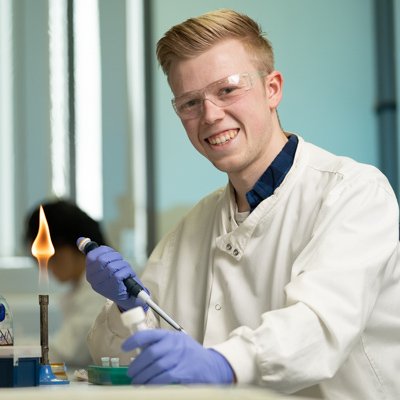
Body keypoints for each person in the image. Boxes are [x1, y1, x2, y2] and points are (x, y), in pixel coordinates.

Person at [83, 9, 400, 399]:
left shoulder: (353, 193)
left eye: (228, 89)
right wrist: (127, 307)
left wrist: (222, 364)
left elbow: (319, 326)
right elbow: (122, 355)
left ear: (272, 89)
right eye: (190, 103)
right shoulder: (194, 226)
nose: (211, 116)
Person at [25, 199, 107, 368]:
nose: (46, 267)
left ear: (67, 247)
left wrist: (13, 348)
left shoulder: (98, 289)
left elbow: (66, 353)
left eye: (47, 258)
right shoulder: (83, 287)